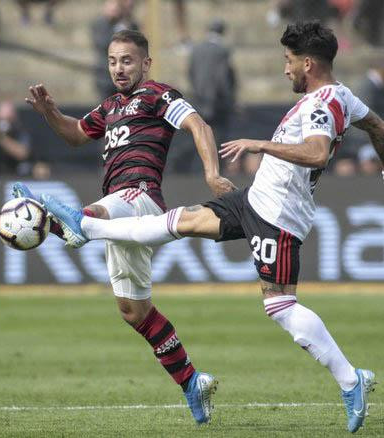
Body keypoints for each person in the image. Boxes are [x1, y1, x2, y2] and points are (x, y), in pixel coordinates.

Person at [40, 22, 384, 433]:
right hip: (254, 198)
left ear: (308, 63)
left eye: (289, 62)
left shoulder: (320, 104)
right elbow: (380, 129)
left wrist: (259, 144)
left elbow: (315, 154)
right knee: (177, 223)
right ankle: (84, 227)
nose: (285, 70)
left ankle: (352, 381)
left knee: (280, 307)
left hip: (277, 215)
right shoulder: (342, 96)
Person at [16, 29, 235, 424]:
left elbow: (199, 126)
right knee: (133, 311)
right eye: (114, 60)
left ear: (146, 63)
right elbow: (75, 134)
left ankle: (67, 220)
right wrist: (49, 111)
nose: (119, 68)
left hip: (139, 196)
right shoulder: (110, 106)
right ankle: (192, 383)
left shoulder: (157, 95)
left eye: (128, 60)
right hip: (121, 213)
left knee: (92, 215)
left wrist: (212, 174)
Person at [187, 18, 237, 173]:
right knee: (219, 140)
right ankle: (217, 171)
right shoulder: (222, 50)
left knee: (200, 137)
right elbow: (223, 78)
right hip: (218, 103)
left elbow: (191, 73)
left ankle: (199, 171)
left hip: (200, 101)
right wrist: (229, 100)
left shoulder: (196, 49)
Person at [91, 0, 139, 101]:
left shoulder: (130, 24)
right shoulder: (100, 24)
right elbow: (103, 44)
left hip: (126, 78)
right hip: (105, 77)